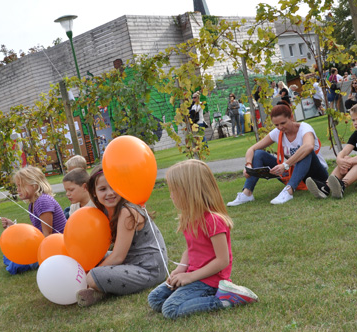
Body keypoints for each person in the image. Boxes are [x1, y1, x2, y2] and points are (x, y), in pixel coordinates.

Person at [147, 160, 258, 319]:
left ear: (189, 192)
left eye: (174, 190)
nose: (170, 195)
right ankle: (194, 294)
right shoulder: (189, 217)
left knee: (170, 309)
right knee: (155, 299)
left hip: (210, 281)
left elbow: (222, 261)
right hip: (193, 275)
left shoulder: (213, 221)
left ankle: (224, 299)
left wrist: (190, 277)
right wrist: (181, 270)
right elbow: (190, 249)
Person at [75, 165, 168, 307]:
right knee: (88, 258)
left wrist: (93, 271)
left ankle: (99, 288)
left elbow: (118, 256)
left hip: (149, 269)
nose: (110, 193)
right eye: (103, 189)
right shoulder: (105, 212)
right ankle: (102, 288)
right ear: (94, 192)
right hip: (130, 261)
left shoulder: (127, 212)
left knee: (93, 276)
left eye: (114, 187)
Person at [227, 104, 328, 206]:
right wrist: (248, 165)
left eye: (283, 123)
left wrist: (285, 165)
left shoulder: (305, 128)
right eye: (276, 125)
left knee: (305, 151)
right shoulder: (278, 132)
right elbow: (252, 149)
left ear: (291, 117)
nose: (280, 127)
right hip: (292, 171)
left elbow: (308, 146)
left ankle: (289, 191)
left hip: (316, 174)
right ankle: (247, 193)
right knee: (258, 154)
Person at [0, 166, 67, 274]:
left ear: (34, 185)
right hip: (45, 243)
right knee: (7, 256)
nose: (17, 189)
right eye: (17, 186)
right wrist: (14, 226)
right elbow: (36, 232)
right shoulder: (33, 204)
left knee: (13, 267)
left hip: (56, 247)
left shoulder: (43, 201)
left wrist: (32, 252)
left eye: (20, 186)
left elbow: (47, 236)